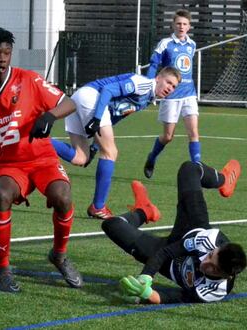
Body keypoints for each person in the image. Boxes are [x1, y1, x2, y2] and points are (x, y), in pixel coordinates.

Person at [0, 28, 82, 293]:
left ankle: (59, 255)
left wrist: (50, 117)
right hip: (11, 164)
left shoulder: (30, 80)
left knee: (64, 197)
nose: (2, 58)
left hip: (43, 158)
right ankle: (2, 271)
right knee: (1, 194)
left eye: (6, 52)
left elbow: (69, 102)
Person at [102, 159, 246, 304]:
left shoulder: (216, 290)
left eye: (213, 268)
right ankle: (223, 179)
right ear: (215, 249)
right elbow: (167, 251)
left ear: (227, 276)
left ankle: (144, 211)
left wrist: (145, 293)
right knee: (189, 169)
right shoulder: (209, 240)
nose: (205, 263)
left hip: (169, 264)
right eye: (210, 256)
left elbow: (177, 296)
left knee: (111, 225)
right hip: (191, 228)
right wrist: (146, 276)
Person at [51, 67, 181, 219]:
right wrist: (98, 117)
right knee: (110, 152)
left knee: (81, 158)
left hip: (81, 98)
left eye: (173, 87)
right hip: (92, 97)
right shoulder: (143, 84)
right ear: (158, 77)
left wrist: (94, 146)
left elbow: (115, 116)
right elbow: (108, 90)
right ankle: (98, 207)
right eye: (168, 82)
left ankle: (36, 140)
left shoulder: (148, 98)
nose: (170, 88)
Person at [144, 9, 199, 179]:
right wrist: (149, 84)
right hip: (171, 96)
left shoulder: (192, 45)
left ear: (189, 27)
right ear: (173, 25)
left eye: (184, 24)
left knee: (194, 133)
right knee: (168, 136)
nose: (181, 27)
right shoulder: (166, 43)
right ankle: (152, 157)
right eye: (178, 23)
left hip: (189, 94)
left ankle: (198, 170)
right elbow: (154, 64)